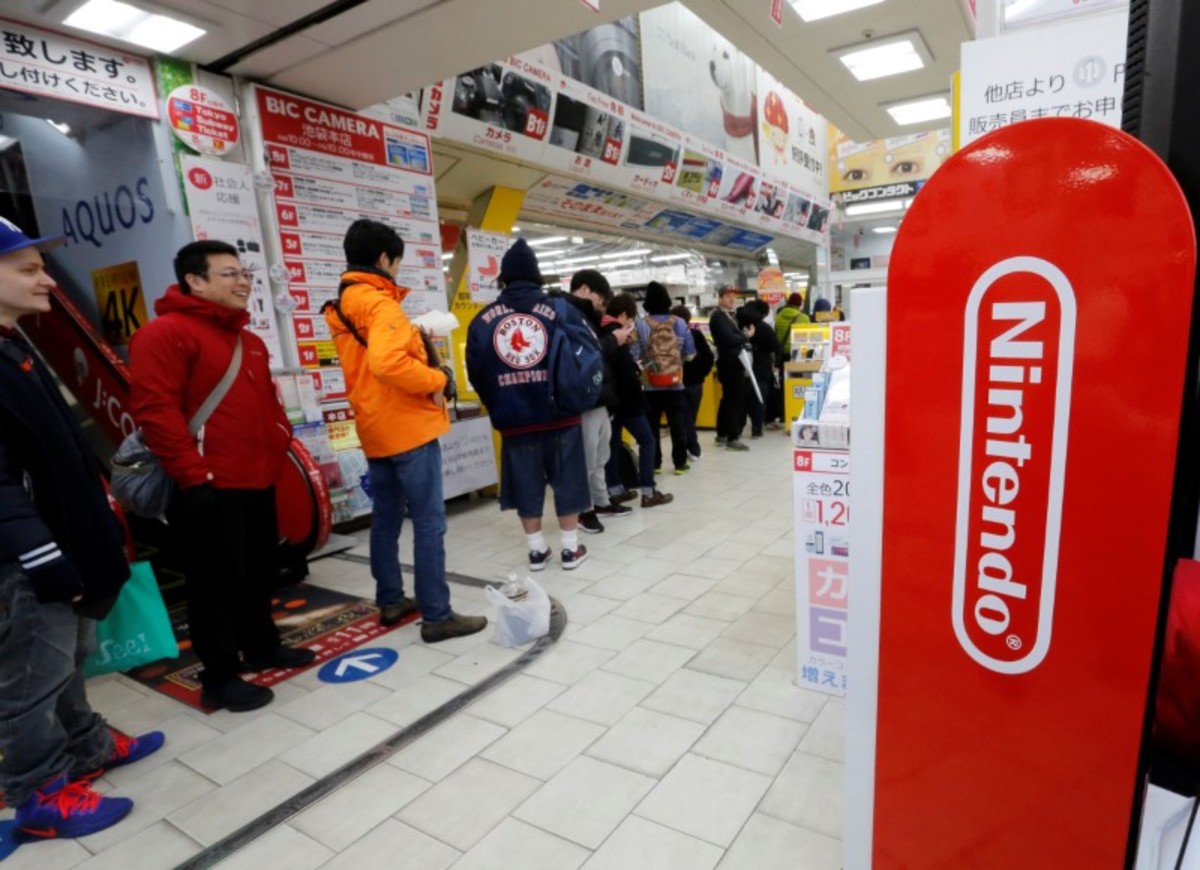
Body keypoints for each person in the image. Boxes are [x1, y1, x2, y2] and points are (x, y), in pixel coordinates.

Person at [0, 218, 163, 841]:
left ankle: (87, 747)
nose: (46, 279)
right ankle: (39, 796)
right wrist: (40, 554)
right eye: (28, 269)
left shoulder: (13, 343)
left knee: (69, 661)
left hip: (65, 544)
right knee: (29, 681)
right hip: (26, 560)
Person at [130, 240, 314, 713]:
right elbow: (157, 412)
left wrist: (279, 442)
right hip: (208, 485)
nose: (243, 282)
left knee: (260, 570)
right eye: (230, 273)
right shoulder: (163, 334)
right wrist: (193, 478)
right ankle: (219, 675)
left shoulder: (247, 341)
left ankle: (261, 646)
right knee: (214, 584)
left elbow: (269, 404)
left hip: (258, 479)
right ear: (195, 280)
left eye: (245, 273)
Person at [325, 219, 486, 643]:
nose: (398, 269)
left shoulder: (344, 302)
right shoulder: (380, 304)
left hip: (374, 427)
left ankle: (391, 600)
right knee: (430, 523)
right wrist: (437, 379)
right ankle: (437, 615)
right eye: (397, 262)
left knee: (386, 519)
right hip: (408, 429)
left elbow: (372, 364)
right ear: (383, 259)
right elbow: (388, 364)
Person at [466, 239, 593, 571]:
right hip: (561, 415)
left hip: (515, 419)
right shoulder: (561, 310)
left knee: (525, 482)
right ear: (537, 276)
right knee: (568, 479)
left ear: (503, 278)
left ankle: (537, 551)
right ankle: (570, 549)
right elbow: (585, 356)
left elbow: (476, 373)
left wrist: (498, 402)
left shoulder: (483, 321)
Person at [565, 269, 630, 530]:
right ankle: (584, 509)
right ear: (583, 289)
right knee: (586, 457)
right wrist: (613, 339)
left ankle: (600, 501)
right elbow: (583, 355)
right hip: (583, 399)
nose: (601, 307)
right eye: (600, 300)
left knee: (601, 454)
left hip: (599, 397)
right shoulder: (566, 314)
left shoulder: (585, 317)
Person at [603, 293, 673, 508]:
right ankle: (648, 492)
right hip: (627, 400)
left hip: (609, 400)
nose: (631, 323)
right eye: (631, 319)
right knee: (647, 441)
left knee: (612, 444)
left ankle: (615, 490)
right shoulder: (617, 333)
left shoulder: (600, 331)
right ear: (624, 314)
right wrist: (636, 374)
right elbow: (624, 370)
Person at [630, 282, 695, 475]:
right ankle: (680, 464)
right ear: (668, 300)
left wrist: (651, 366)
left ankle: (655, 464)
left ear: (646, 303)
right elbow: (690, 354)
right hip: (675, 384)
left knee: (652, 426)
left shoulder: (640, 324)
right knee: (678, 424)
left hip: (650, 385)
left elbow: (635, 356)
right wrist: (675, 363)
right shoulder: (680, 323)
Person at [709, 286, 752, 451]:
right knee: (734, 401)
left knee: (728, 399)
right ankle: (733, 437)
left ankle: (722, 433)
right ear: (720, 298)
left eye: (734, 296)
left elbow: (734, 337)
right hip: (730, 363)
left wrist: (740, 336)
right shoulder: (718, 317)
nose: (732, 299)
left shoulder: (729, 316)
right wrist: (745, 336)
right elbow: (729, 339)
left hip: (733, 362)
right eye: (728, 296)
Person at [671, 304, 713, 463]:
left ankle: (690, 449)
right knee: (690, 417)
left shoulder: (670, 337)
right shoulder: (696, 334)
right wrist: (702, 373)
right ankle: (692, 449)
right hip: (696, 383)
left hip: (677, 382)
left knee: (684, 418)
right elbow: (709, 357)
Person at [739, 299, 782, 438]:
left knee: (741, 399)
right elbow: (775, 346)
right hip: (760, 367)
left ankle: (737, 430)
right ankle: (757, 428)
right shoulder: (763, 327)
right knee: (759, 397)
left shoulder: (737, 324)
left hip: (741, 367)